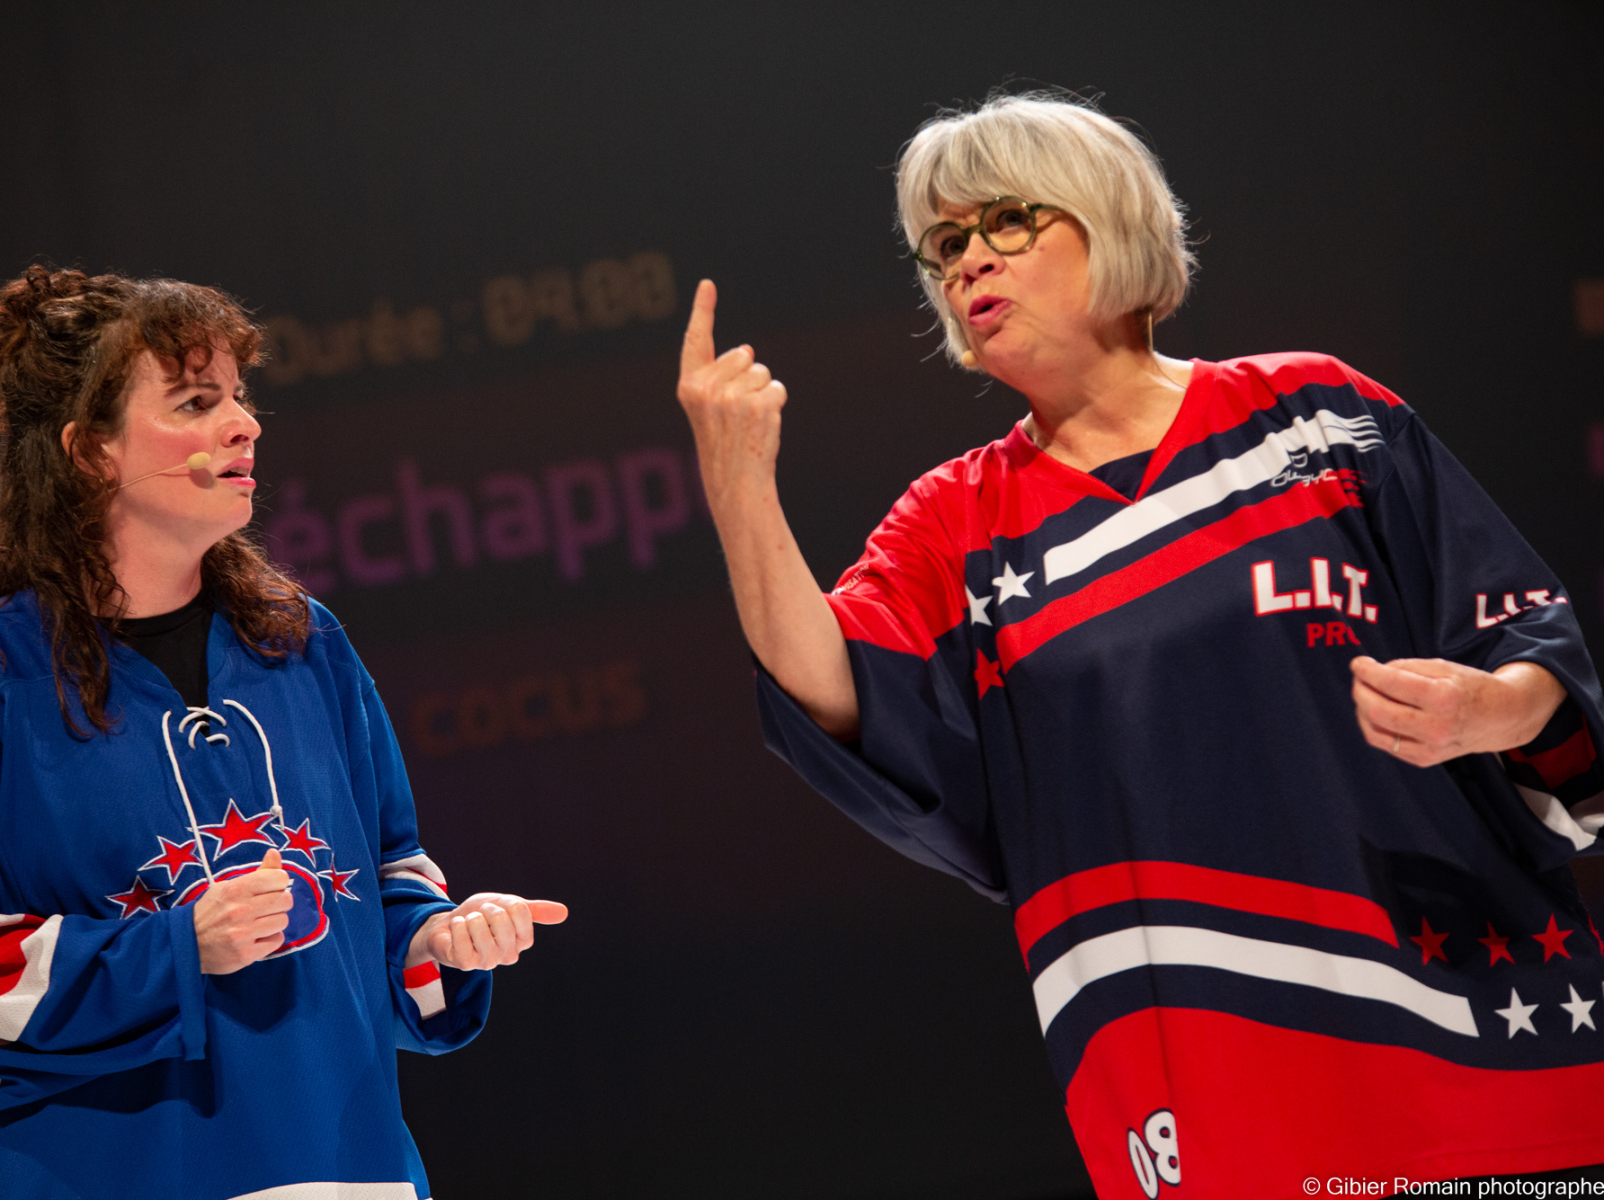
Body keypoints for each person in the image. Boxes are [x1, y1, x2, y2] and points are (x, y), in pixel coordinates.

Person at [676, 92, 1604, 1196]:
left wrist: (1489, 708)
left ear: (1107, 217)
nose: (969, 262)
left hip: (1473, 1036)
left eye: (1006, 221)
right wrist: (739, 485)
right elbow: (832, 687)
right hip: (1212, 1097)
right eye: (945, 246)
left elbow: (1526, 642)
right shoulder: (955, 523)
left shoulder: (1312, 416)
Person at [0, 266, 565, 1200]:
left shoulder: (305, 644)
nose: (244, 425)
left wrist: (441, 941)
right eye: (196, 402)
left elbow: (387, 887)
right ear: (89, 451)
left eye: (239, 397)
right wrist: (177, 949)